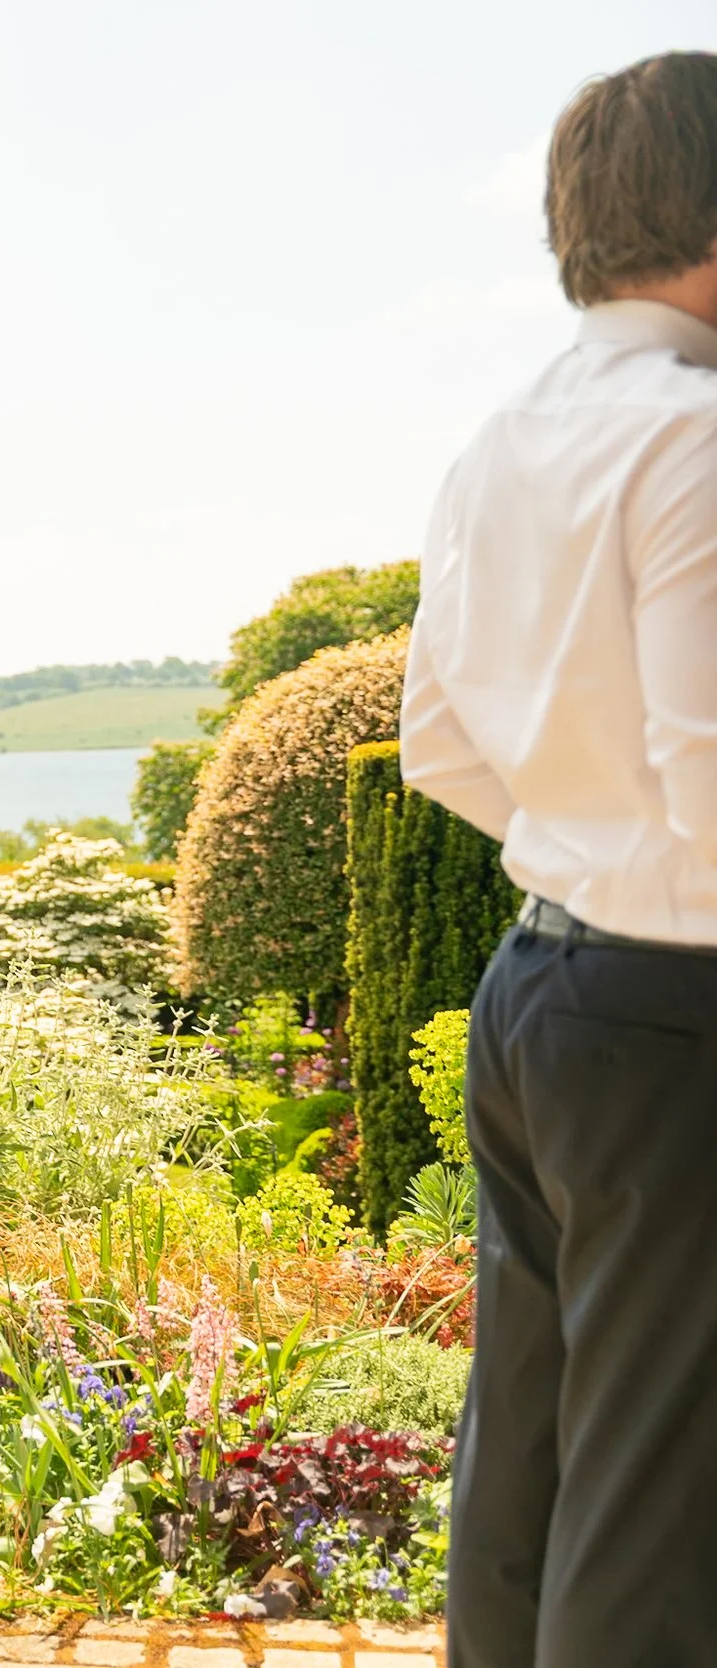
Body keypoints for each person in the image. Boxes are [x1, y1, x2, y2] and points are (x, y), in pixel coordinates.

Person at [402, 50, 717, 1668]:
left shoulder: (499, 443)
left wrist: (580, 838)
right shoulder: (694, 441)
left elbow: (437, 744)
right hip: (672, 1010)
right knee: (659, 1498)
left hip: (535, 990)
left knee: (527, 1441)